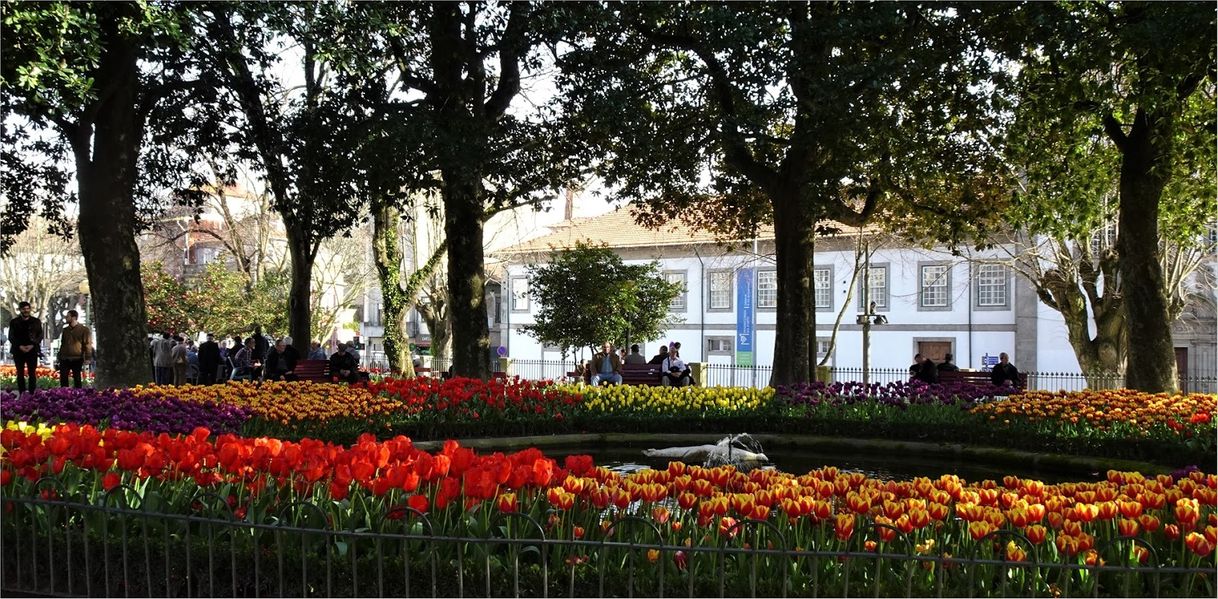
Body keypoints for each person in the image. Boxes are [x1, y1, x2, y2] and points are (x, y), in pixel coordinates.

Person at [7, 301, 43, 394]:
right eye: (24, 309)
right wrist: (20, 346)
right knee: (20, 373)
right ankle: (22, 393)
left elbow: (40, 335)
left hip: (32, 350)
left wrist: (32, 345)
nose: (26, 311)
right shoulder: (14, 322)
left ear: (30, 309)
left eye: (28, 309)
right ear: (20, 310)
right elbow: (11, 336)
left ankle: (32, 393)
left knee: (32, 373)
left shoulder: (36, 321)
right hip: (18, 350)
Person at [56, 309, 92, 388]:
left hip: (77, 358)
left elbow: (87, 344)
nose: (66, 318)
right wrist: (59, 355)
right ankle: (64, 394)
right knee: (63, 378)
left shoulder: (84, 330)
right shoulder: (65, 330)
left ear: (74, 317)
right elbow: (63, 344)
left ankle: (77, 395)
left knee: (77, 378)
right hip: (65, 358)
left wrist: (88, 357)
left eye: (68, 316)